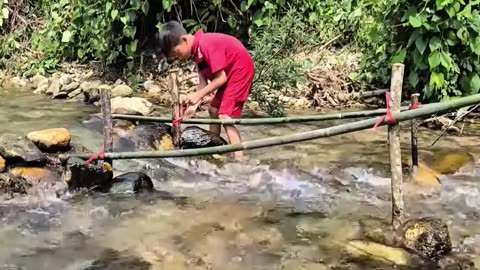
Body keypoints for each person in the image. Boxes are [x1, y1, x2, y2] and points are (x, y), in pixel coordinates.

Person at [157, 21, 255, 160]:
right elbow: (203, 83)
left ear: (184, 40)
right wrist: (194, 106)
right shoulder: (197, 53)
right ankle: (213, 147)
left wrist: (198, 95)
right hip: (230, 74)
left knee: (224, 116)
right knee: (213, 110)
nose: (178, 58)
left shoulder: (205, 44)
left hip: (239, 70)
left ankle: (239, 159)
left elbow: (221, 78)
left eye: (176, 54)